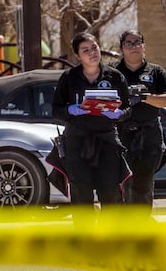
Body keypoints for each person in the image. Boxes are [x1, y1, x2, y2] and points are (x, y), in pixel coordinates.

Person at [52, 32, 131, 225]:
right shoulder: (69, 77)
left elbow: (128, 107)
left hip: (107, 141)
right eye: (85, 50)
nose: (92, 53)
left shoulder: (114, 76)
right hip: (77, 142)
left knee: (110, 191)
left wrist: (119, 114)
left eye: (94, 47)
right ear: (78, 56)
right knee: (81, 193)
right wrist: (72, 110)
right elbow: (56, 109)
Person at [111, 30, 166, 216]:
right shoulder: (112, 72)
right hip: (121, 136)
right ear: (122, 48)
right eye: (129, 43)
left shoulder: (156, 71)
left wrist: (144, 97)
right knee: (119, 187)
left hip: (149, 137)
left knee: (143, 187)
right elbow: (104, 100)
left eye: (138, 42)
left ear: (144, 46)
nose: (134, 47)